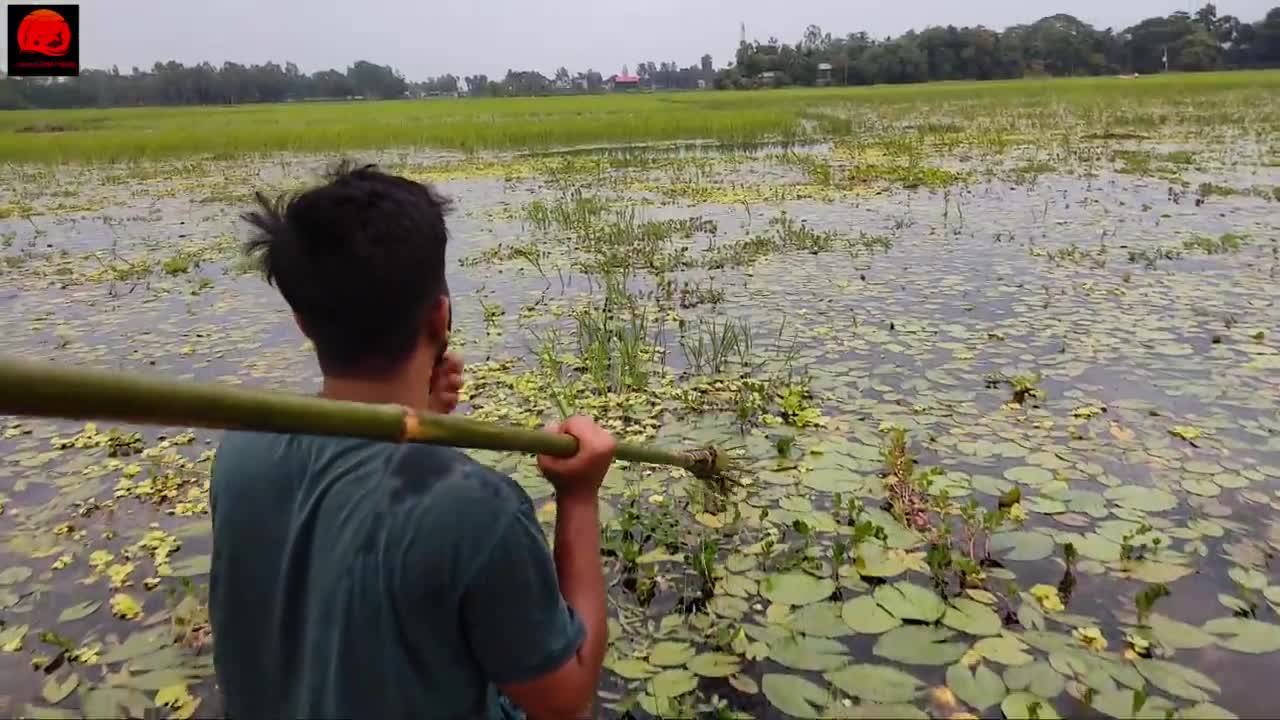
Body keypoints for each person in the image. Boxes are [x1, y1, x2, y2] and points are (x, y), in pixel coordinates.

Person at [208, 161, 614, 719]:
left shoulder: (242, 449)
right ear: (440, 316)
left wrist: (422, 413)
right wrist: (580, 498)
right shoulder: (478, 509)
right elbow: (565, 701)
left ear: (302, 321)